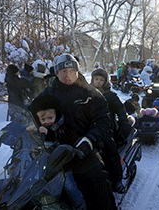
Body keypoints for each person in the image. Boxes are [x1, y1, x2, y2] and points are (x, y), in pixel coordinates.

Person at [39, 53, 117, 210]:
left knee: (98, 185)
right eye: (63, 72)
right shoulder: (48, 93)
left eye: (71, 71)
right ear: (57, 73)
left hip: (82, 150)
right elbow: (31, 112)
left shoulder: (91, 94)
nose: (67, 75)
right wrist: (11, 130)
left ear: (77, 71)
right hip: (52, 150)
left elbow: (102, 122)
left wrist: (89, 140)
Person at [29, 95, 86, 210]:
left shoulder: (63, 127)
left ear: (56, 115)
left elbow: (68, 139)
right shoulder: (38, 128)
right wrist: (30, 132)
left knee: (69, 186)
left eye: (50, 118)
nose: (47, 122)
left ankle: (79, 205)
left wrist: (49, 134)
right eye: (43, 119)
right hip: (43, 166)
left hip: (62, 166)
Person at [90, 68, 132, 193]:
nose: (98, 82)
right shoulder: (88, 93)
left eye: (101, 80)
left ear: (105, 81)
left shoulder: (110, 96)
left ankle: (117, 180)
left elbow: (120, 109)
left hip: (106, 128)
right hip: (90, 128)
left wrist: (124, 121)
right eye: (96, 79)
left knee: (111, 152)